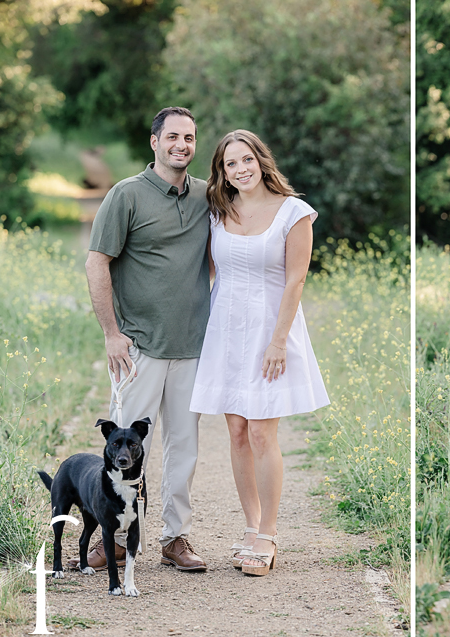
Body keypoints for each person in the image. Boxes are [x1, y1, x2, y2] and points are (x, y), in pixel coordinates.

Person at [189, 130, 330, 577]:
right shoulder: (219, 210)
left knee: (263, 434)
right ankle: (249, 527)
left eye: (246, 159)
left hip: (271, 330)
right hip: (226, 329)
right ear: (222, 172)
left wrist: (277, 341)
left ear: (260, 161)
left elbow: (296, 281)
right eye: (231, 164)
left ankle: (268, 534)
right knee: (235, 432)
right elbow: (211, 272)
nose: (240, 169)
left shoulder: (294, 212)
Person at [81, 106, 210, 572]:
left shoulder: (206, 196)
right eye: (173, 136)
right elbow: (98, 262)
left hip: (193, 346)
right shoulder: (126, 195)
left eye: (190, 138)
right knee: (125, 449)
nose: (182, 144)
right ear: (154, 142)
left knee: (185, 448)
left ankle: (176, 538)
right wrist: (111, 333)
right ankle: (114, 539)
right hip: (137, 348)